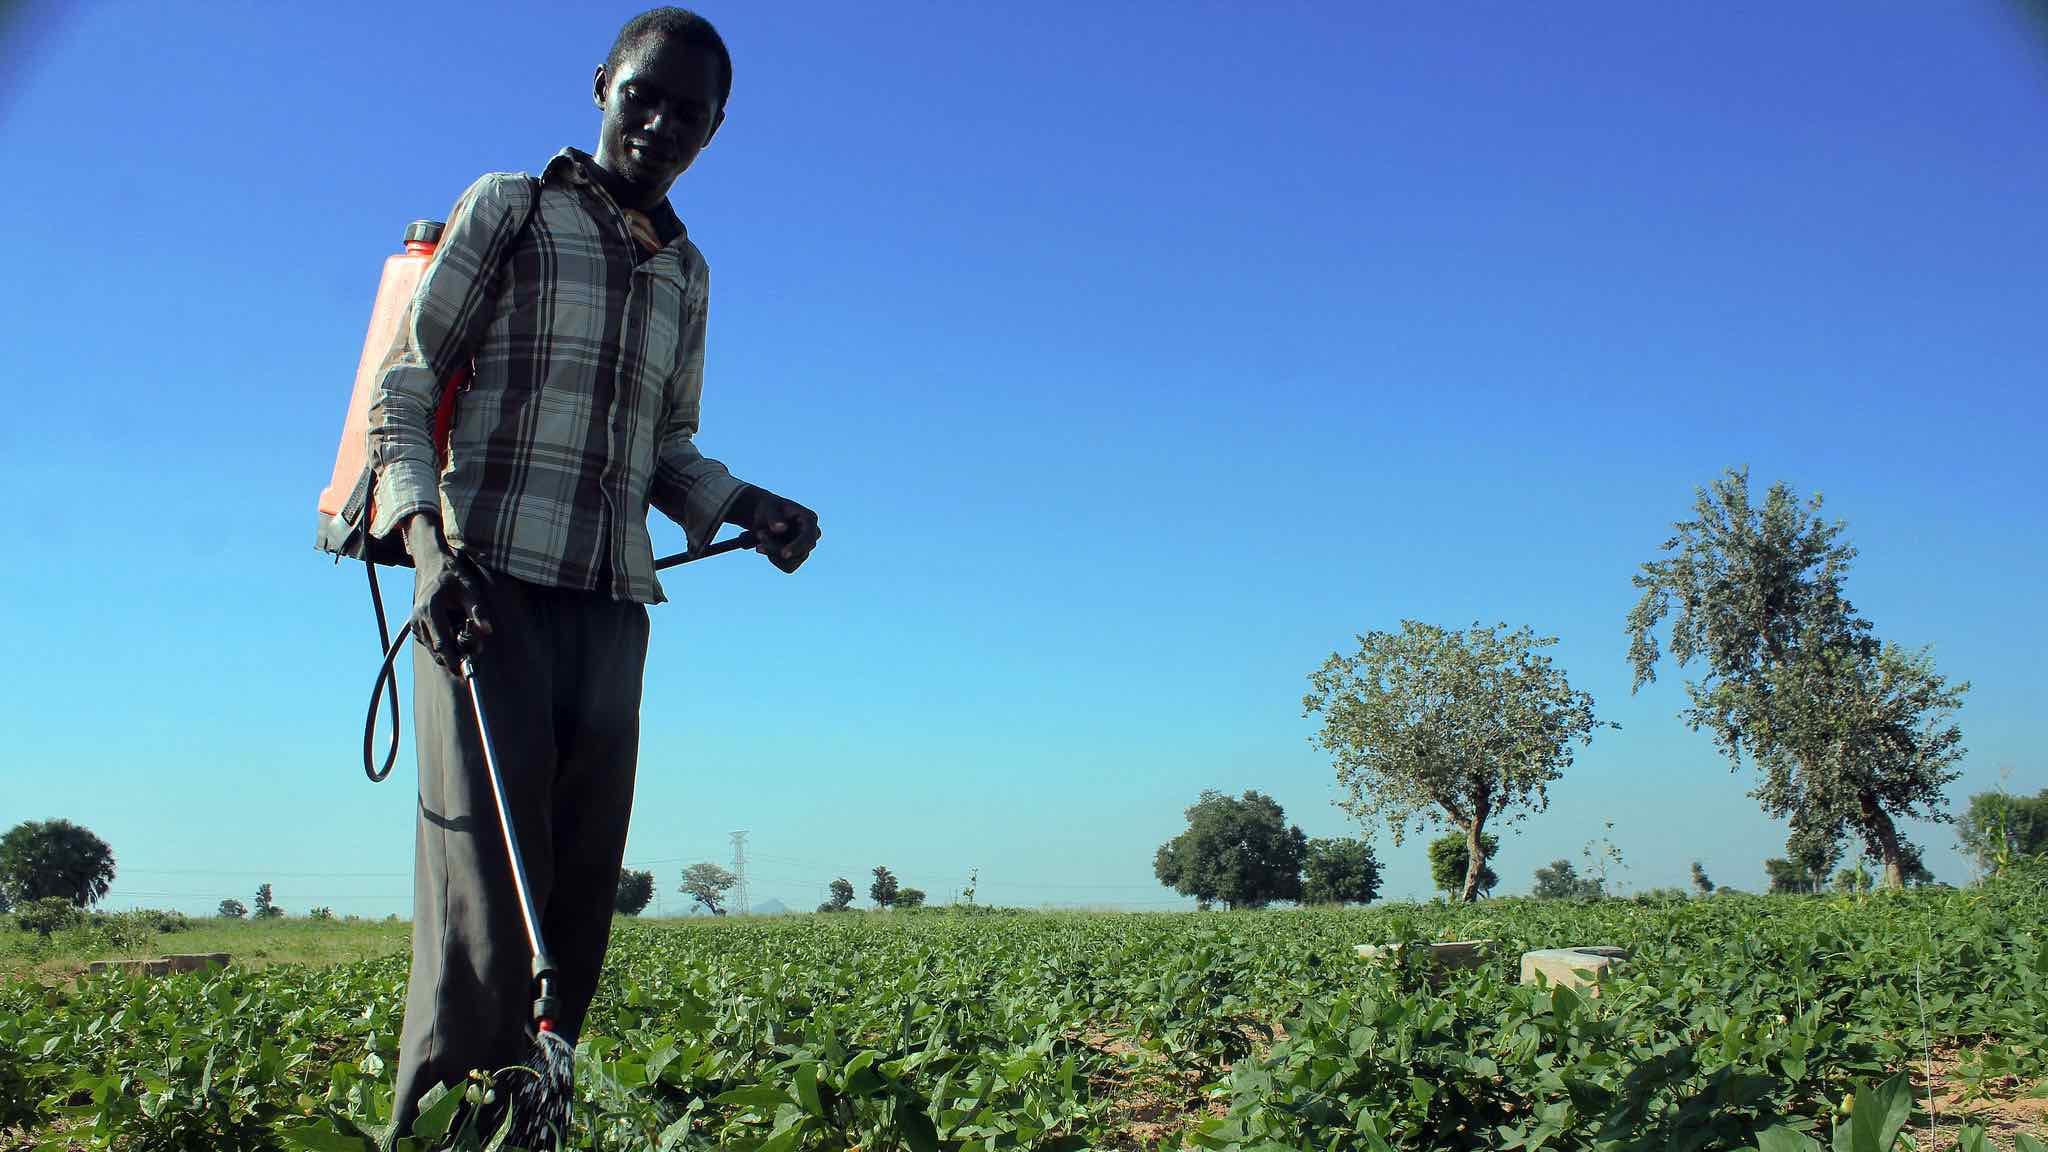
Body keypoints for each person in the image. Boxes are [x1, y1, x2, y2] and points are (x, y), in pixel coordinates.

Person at [363, 7, 820, 1139]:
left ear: (715, 132)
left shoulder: (687, 272)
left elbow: (666, 447)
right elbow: (406, 388)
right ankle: (436, 1130)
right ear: (603, 84)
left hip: (613, 606)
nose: (662, 125)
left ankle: (534, 1123)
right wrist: (427, 549)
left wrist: (746, 506)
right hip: (484, 589)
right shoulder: (512, 207)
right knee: (485, 914)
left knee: (573, 912)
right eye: (644, 97)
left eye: (691, 114)